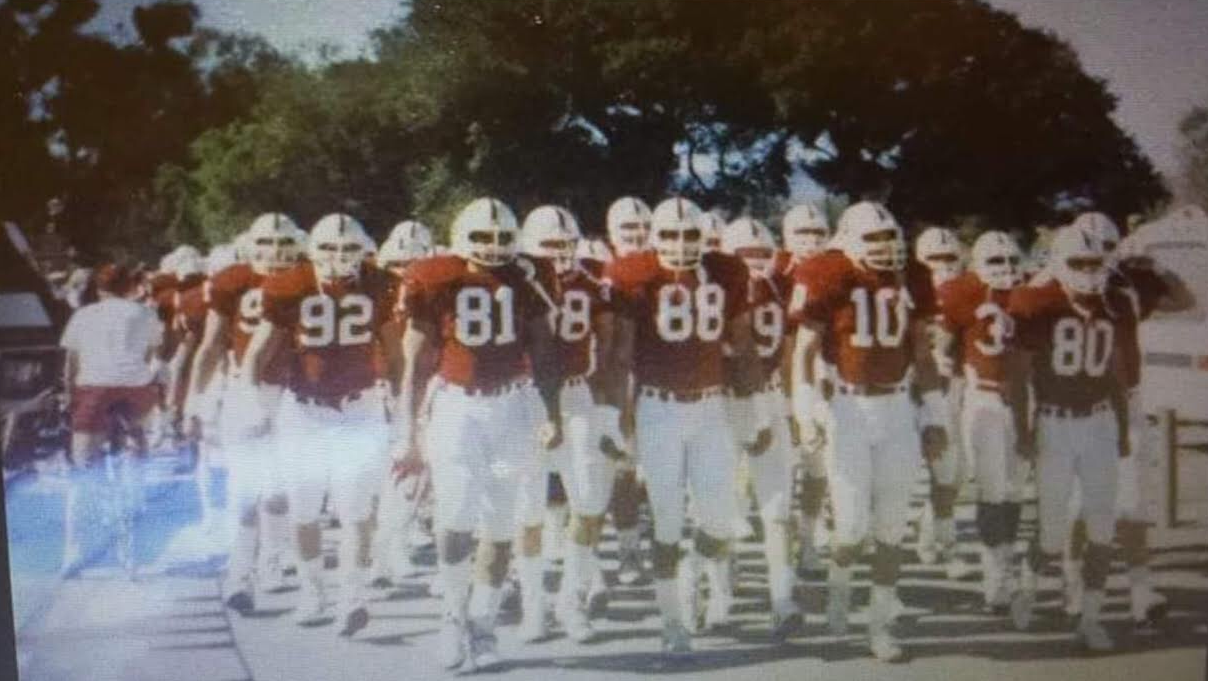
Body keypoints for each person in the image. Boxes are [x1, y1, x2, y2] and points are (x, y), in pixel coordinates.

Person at [392, 197, 563, 672]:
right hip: (457, 404)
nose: (491, 246)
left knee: (502, 521)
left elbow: (546, 350)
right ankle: (452, 613)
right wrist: (407, 433)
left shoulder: (530, 276)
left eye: (500, 237)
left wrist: (553, 411)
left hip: (513, 402)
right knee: (457, 511)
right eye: (482, 236)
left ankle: (482, 621)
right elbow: (414, 365)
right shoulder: (434, 276)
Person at [788, 201, 946, 662]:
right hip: (848, 407)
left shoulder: (913, 276)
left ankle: (880, 624)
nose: (884, 248)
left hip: (898, 407)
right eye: (873, 239)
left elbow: (922, 351)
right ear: (850, 239)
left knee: (891, 526)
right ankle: (839, 588)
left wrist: (934, 413)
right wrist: (805, 407)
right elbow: (804, 349)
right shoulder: (828, 272)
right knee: (852, 526)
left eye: (889, 238)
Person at [605, 197, 764, 656]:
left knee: (719, 520)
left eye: (689, 235)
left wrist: (755, 411)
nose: (679, 244)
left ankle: (694, 566)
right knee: (667, 521)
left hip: (712, 407)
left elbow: (742, 342)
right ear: (656, 237)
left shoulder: (728, 271)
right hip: (658, 408)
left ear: (704, 236)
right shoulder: (635, 273)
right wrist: (619, 416)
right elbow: (622, 354)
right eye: (670, 235)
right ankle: (673, 620)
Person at [245, 213, 398, 638]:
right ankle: (313, 592)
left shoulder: (379, 283)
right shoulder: (289, 285)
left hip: (360, 406)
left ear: (363, 249)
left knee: (355, 510)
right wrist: (256, 406)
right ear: (313, 250)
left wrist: (400, 404)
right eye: (330, 248)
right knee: (305, 509)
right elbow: (257, 354)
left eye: (349, 249)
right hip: (303, 410)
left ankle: (351, 596)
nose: (339, 257)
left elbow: (394, 351)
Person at [1008, 222, 1133, 652]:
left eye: (1094, 262)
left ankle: (1091, 617)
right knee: (1051, 530)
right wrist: (1023, 431)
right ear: (1060, 265)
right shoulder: (1038, 304)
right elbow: (1018, 375)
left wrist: (1123, 427)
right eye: (1078, 262)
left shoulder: (1112, 304)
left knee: (1101, 526)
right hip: (1054, 423)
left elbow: (1115, 377)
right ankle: (1027, 587)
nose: (1088, 270)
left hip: (1098, 423)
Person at [189, 214, 306, 614]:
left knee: (278, 486)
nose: (275, 253)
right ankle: (241, 574)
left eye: (283, 244)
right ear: (251, 245)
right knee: (244, 489)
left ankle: (271, 559)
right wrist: (193, 399)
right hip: (246, 386)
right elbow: (210, 345)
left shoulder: (308, 279)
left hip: (295, 391)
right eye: (267, 244)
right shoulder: (233, 281)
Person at [935, 231, 1028, 612]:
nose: (1005, 270)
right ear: (975, 265)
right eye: (995, 262)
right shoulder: (961, 291)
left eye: (1011, 262)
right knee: (992, 489)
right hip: (982, 396)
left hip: (1025, 399)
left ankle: (1007, 562)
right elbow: (942, 344)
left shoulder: (1031, 293)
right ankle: (997, 575)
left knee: (1015, 492)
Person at [721, 216, 804, 640]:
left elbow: (788, 350)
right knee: (717, 505)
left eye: (760, 254)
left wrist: (789, 404)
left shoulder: (781, 288)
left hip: (767, 394)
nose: (753, 263)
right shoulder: (718, 290)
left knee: (777, 505)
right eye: (744, 255)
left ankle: (781, 595)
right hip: (722, 401)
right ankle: (718, 588)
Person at [59, 263, 163, 578]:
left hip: (94, 391)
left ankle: (73, 552)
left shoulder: (82, 316)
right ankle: (132, 544)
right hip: (135, 391)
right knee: (137, 450)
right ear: (130, 286)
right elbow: (154, 353)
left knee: (82, 467)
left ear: (99, 290)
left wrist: (67, 398)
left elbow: (70, 365)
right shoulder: (145, 313)